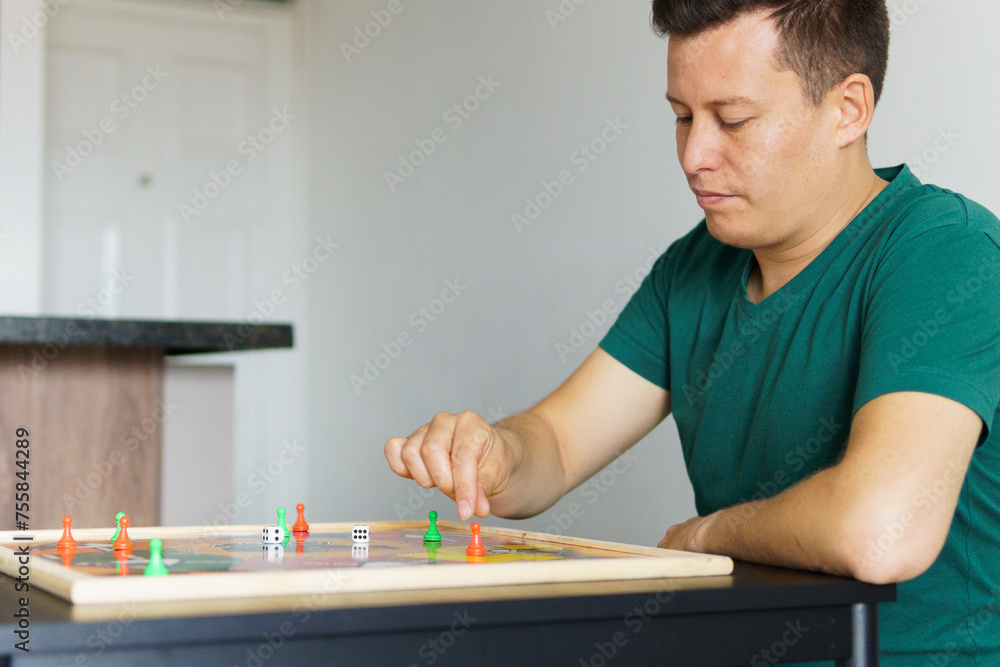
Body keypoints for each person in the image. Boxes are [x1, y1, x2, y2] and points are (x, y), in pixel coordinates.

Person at [384, 1, 1000, 663]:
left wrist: (708, 536)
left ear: (848, 109)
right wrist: (496, 451)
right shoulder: (693, 268)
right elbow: (557, 445)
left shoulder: (947, 252)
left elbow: (882, 532)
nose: (695, 155)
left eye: (733, 119)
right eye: (681, 115)